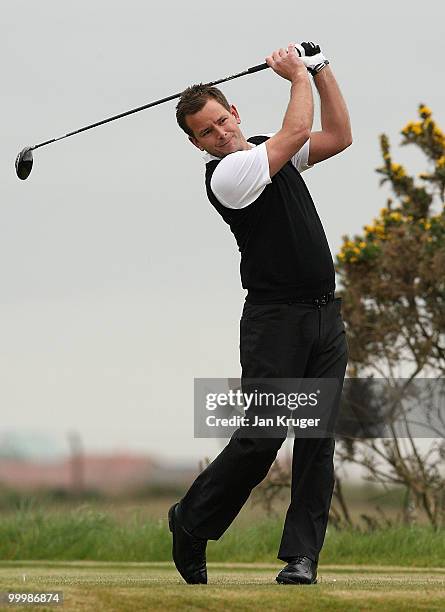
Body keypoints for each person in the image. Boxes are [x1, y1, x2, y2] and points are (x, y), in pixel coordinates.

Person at [168, 42, 352, 585]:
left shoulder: (265, 152)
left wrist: (321, 71)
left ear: (235, 114)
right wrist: (295, 76)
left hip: (324, 316)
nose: (220, 134)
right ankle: (191, 521)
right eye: (206, 132)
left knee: (317, 442)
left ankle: (302, 558)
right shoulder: (229, 175)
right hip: (276, 321)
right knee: (262, 437)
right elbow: (294, 133)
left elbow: (340, 136)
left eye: (222, 121)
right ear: (197, 144)